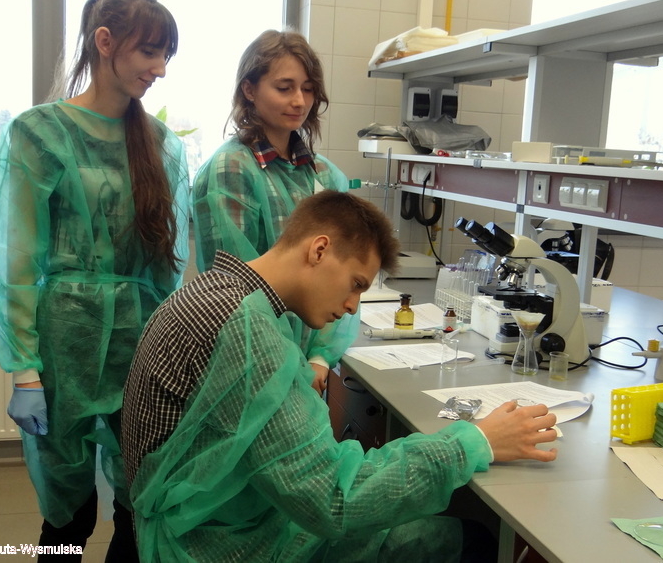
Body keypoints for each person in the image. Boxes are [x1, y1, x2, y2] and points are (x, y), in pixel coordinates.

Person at [122, 190, 558, 562]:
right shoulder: (245, 328)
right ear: (319, 250)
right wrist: (474, 442)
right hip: (223, 546)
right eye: (356, 284)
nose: (352, 307)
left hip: (210, 524)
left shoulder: (215, 291)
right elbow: (332, 500)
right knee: (471, 540)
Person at [0, 0, 189, 561]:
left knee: (137, 507)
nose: (160, 69)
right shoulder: (38, 133)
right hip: (62, 349)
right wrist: (24, 370)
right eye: (150, 52)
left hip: (140, 347)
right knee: (68, 517)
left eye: (166, 56)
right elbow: (15, 260)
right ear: (104, 42)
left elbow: (165, 270)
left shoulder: (162, 147)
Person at [192, 29, 354, 396]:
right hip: (252, 359)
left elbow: (341, 273)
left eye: (308, 89)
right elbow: (236, 291)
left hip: (308, 364)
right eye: (284, 88)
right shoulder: (231, 170)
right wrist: (286, 363)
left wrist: (319, 357)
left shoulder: (323, 175)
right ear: (249, 90)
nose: (299, 101)